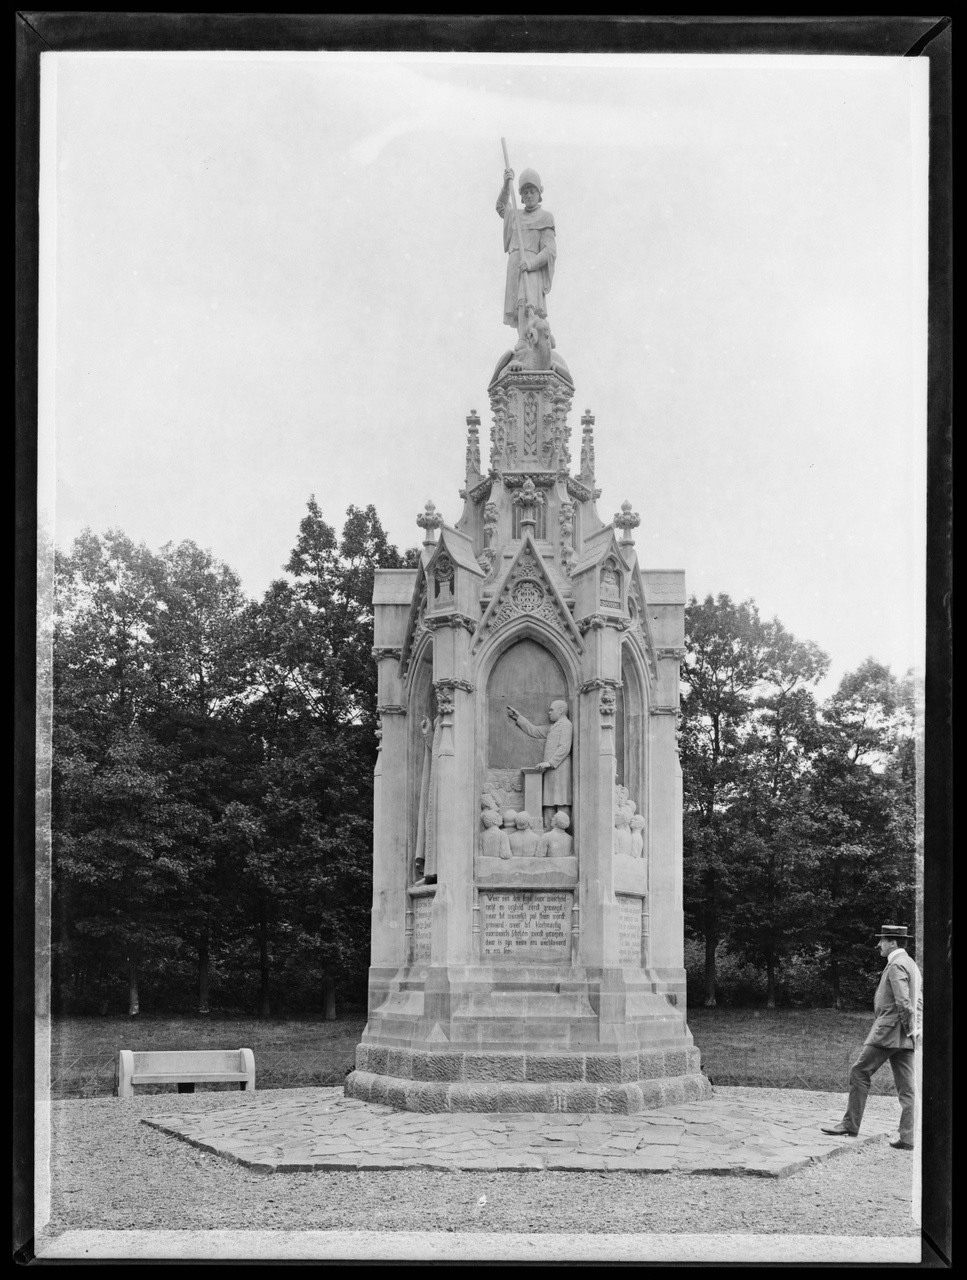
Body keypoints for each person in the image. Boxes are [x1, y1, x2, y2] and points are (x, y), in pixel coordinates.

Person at [821, 924, 922, 1149]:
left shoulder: (896, 965)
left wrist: (909, 1028)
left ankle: (849, 1124)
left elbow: (905, 1003)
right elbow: (919, 1002)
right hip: (905, 1036)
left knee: (859, 1071)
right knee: (907, 1088)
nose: (878, 944)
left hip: (888, 1032)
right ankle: (908, 1137)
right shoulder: (911, 965)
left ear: (893, 942)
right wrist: (916, 1030)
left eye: (882, 940)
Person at [496, 167, 556, 336]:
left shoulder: (546, 217)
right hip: (515, 265)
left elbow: (549, 250)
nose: (529, 196)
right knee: (517, 305)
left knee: (528, 303)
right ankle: (522, 339)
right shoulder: (515, 215)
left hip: (531, 267)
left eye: (532, 191)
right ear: (520, 196)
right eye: (525, 192)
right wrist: (506, 184)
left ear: (539, 193)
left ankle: (530, 339)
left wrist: (531, 264)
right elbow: (501, 206)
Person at [506, 699, 573, 830]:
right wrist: (518, 717)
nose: (549, 712)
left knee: (560, 799)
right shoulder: (554, 726)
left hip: (559, 769)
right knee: (548, 800)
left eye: (551, 709)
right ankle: (548, 829)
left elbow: (564, 747)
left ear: (561, 710)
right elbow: (534, 731)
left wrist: (550, 762)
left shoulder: (566, 724)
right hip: (549, 769)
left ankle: (562, 829)